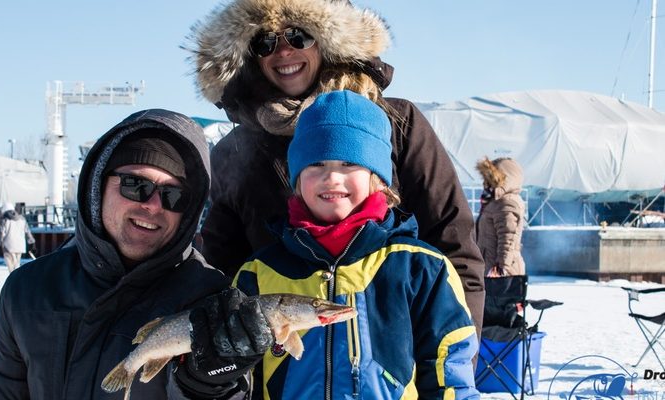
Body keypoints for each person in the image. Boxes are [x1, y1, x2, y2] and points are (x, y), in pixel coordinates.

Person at [188, 0, 486, 338]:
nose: (283, 52)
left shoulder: (397, 123)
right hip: (281, 361)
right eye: (264, 42)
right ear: (249, 55)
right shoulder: (235, 150)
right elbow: (221, 269)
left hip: (394, 359)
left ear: (327, 39)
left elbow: (454, 245)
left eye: (299, 36)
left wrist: (459, 353)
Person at [0, 109, 273, 399]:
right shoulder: (29, 290)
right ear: (98, 185)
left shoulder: (212, 300)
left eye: (174, 195)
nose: (153, 206)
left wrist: (208, 388)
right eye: (136, 185)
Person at [233, 90, 479, 399]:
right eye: (316, 164)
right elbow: (240, 379)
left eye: (349, 163)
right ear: (297, 180)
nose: (332, 177)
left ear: (377, 177)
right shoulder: (258, 272)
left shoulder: (421, 267)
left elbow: (450, 375)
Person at [475, 157, 526, 277]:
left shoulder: (507, 202)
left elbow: (508, 239)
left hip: (498, 272)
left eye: (491, 178)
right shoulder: (495, 202)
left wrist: (502, 268)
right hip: (489, 267)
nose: (486, 182)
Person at [0, 202, 36, 272]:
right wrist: (31, 241)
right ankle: (17, 280)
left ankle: (13, 281)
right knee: (17, 266)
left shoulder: (4, 219)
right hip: (20, 246)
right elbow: (27, 231)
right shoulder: (22, 218)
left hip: (8, 246)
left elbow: (1, 232)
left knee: (11, 269)